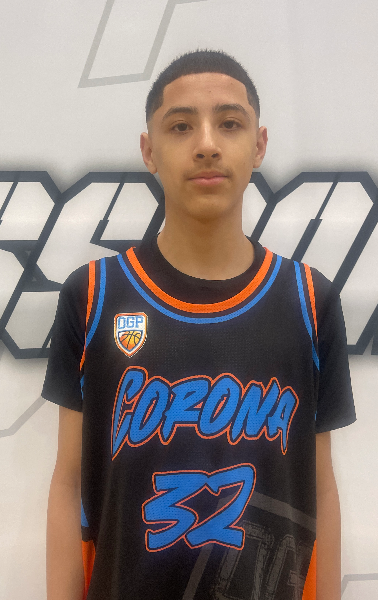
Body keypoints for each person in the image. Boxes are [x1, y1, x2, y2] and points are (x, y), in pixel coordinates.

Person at [43, 49, 356, 600]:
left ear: (259, 144)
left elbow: (320, 488)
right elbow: (69, 484)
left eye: (229, 123)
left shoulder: (310, 300)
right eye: (181, 126)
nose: (207, 143)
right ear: (149, 151)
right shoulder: (92, 296)